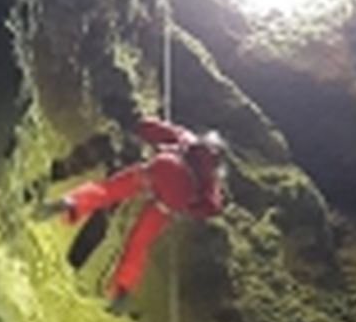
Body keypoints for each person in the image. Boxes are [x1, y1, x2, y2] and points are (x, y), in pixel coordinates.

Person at [40, 118, 227, 312]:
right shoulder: (211, 178)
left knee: (108, 191)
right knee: (139, 242)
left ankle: (69, 202)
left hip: (164, 166)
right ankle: (121, 291)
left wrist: (140, 127)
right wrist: (189, 206)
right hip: (176, 197)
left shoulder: (188, 138)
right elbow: (212, 207)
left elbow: (152, 127)